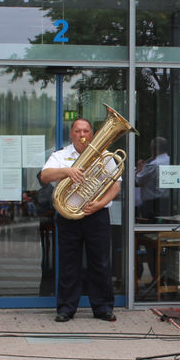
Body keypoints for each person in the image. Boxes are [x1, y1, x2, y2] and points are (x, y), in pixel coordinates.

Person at [39, 118, 119, 323]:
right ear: (71, 134)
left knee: (100, 262)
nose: (82, 134)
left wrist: (100, 204)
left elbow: (115, 186)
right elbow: (44, 176)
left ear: (92, 134)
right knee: (68, 263)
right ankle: (66, 308)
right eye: (77, 131)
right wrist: (67, 171)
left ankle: (103, 307)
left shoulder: (104, 156)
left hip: (97, 214)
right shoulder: (61, 156)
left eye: (86, 130)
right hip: (68, 216)